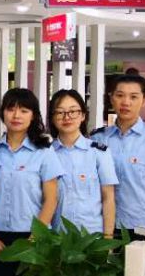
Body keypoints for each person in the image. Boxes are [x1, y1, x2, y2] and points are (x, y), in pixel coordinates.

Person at [0, 88, 63, 276]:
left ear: (33, 115)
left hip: (33, 237)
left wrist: (35, 238)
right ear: (2, 113)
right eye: (11, 109)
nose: (16, 115)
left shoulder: (44, 152)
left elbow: (51, 199)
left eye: (24, 110)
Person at [91, 74, 145, 232]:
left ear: (144, 101)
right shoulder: (98, 138)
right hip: (101, 226)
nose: (126, 102)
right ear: (111, 98)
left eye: (133, 97)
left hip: (140, 226)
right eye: (120, 95)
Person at [48, 89, 118, 237]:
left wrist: (107, 237)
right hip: (55, 237)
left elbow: (108, 197)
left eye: (73, 111)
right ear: (52, 118)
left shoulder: (99, 152)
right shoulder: (46, 154)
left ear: (83, 116)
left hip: (91, 237)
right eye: (60, 112)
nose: (67, 117)